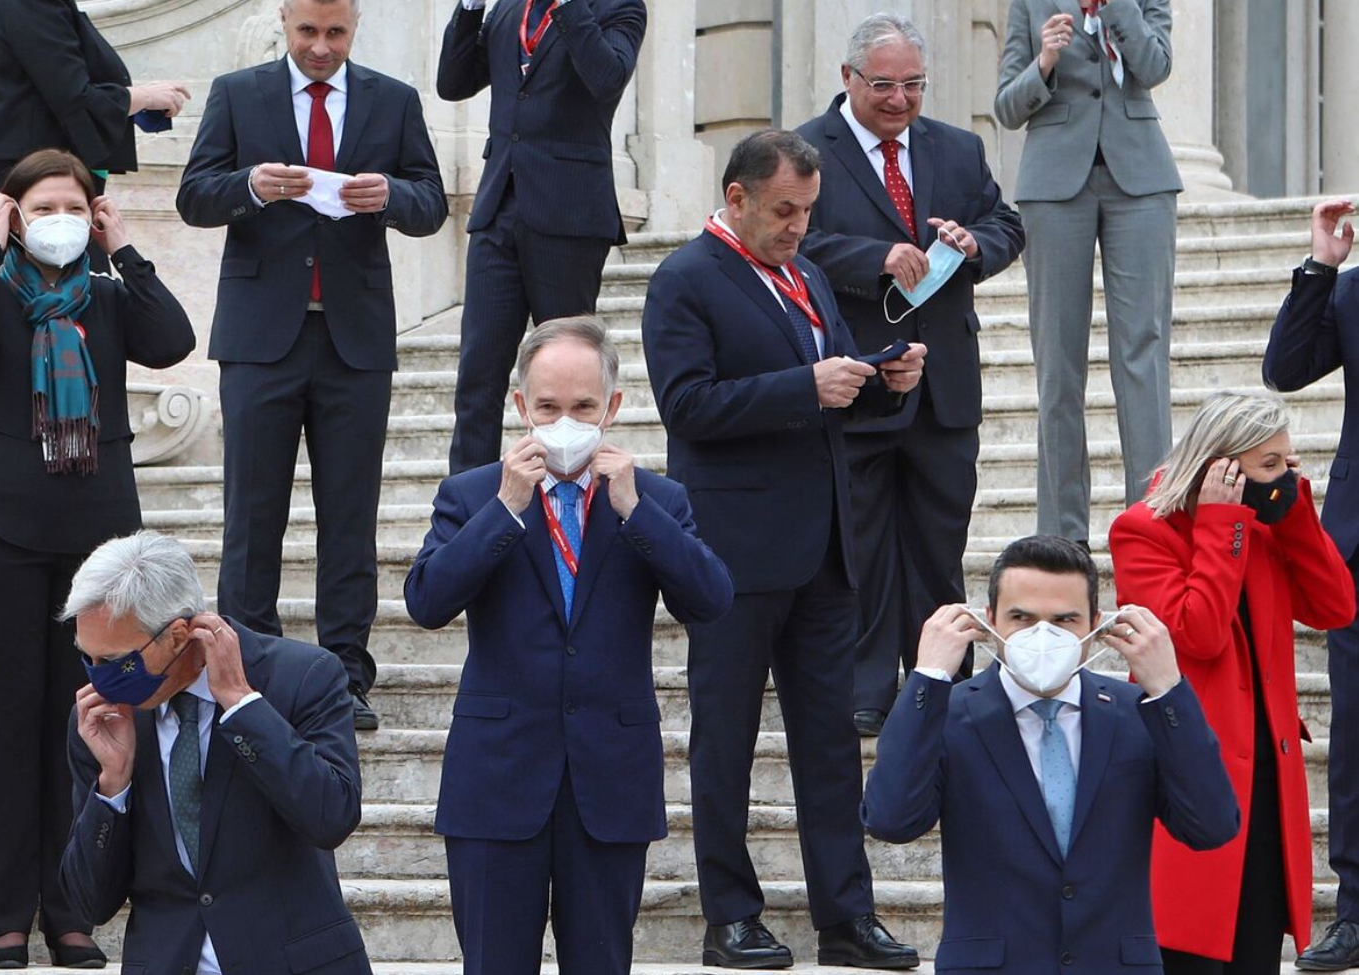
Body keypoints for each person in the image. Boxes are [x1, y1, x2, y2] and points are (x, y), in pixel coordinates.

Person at [637, 129, 925, 970]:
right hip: (731, 552)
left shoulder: (803, 276)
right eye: (784, 209)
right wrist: (805, 385)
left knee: (832, 741)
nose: (800, 226)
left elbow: (827, 402)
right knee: (724, 737)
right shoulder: (685, 279)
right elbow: (686, 405)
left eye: (808, 209)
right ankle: (729, 915)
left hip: (824, 547)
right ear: (737, 198)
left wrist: (881, 380)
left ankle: (847, 916)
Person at [0, 147, 196, 969]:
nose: (59, 222)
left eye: (74, 207)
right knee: (6, 727)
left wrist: (127, 250)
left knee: (85, 725)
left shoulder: (109, 300)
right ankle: (3, 915)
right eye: (42, 207)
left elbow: (174, 339)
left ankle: (73, 909)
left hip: (100, 545)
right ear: (13, 215)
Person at [403, 317, 733, 974]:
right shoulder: (472, 495)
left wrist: (637, 511)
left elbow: (711, 599)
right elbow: (427, 599)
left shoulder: (653, 498)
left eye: (582, 406)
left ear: (611, 407)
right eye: (548, 406)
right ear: (521, 405)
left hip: (609, 781)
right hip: (497, 781)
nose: (564, 421)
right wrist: (506, 506)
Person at [176, 0, 447, 731]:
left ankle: (345, 676)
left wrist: (391, 195)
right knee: (252, 515)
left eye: (335, 34)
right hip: (261, 337)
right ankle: (246, 667)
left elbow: (432, 202)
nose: (321, 48)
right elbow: (194, 196)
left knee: (350, 516)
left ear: (354, 28)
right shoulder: (240, 94)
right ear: (285, 25)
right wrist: (252, 188)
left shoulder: (393, 100)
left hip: (354, 339)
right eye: (308, 33)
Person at [793, 13, 1025, 737]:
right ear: (849, 79)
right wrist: (878, 258)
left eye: (913, 86)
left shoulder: (956, 147)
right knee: (859, 543)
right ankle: (866, 687)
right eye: (884, 85)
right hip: (857, 374)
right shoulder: (805, 150)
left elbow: (1006, 224)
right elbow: (792, 241)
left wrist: (973, 243)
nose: (899, 100)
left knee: (938, 540)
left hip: (945, 382)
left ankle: (946, 676)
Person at [862, 536, 1242, 974]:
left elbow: (1212, 825)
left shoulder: (1138, 713)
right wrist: (927, 677)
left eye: (1065, 620)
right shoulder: (948, 713)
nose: (1042, 635)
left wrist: (1169, 690)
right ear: (989, 621)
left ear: (1097, 624)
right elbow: (891, 819)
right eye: (1021, 618)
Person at [1109, 392, 1357, 973]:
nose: (1284, 477)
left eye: (1289, 463)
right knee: (1187, 946)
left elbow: (1336, 605)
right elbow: (1198, 634)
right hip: (1188, 772)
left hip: (1268, 776)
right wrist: (1222, 527)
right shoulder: (1143, 531)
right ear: (1219, 466)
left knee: (1255, 949)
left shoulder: (1265, 527)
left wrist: (1295, 512)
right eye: (1270, 465)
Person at [59, 531, 369, 975]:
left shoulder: (302, 677)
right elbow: (90, 901)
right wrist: (113, 785)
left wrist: (243, 706)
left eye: (117, 663)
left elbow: (332, 816)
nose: (100, 679)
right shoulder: (102, 723)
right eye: (89, 660)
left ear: (178, 634)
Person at [995, 0, 1178, 546]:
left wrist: (1119, 8)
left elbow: (1155, 66)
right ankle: (1059, 539)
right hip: (1053, 186)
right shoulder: (1029, 4)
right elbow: (1007, 106)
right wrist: (1045, 61)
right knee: (1057, 363)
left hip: (1141, 180)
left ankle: (1151, 527)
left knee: (1143, 356)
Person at [434, 0, 644, 473]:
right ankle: (466, 515)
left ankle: (569, 512)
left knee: (571, 378)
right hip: (498, 208)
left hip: (568, 215)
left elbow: (606, 78)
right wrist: (469, 7)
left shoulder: (621, 8)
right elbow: (453, 82)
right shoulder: (510, 9)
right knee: (477, 379)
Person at [1261, 197, 1359, 971]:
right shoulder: (1351, 290)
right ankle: (1355, 908)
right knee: (1355, 737)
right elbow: (1286, 369)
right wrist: (1322, 264)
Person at [0, 0, 188, 211]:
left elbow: (61, 85)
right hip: (36, 179)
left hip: (48, 177)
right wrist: (144, 96)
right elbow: (74, 98)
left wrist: (138, 96)